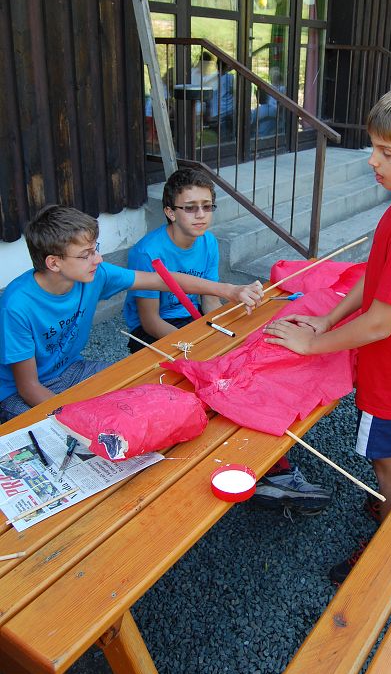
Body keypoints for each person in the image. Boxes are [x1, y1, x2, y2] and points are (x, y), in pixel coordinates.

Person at [264, 79, 391, 582]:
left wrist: (312, 343)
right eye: (374, 147)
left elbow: (379, 323)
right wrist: (329, 318)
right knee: (390, 454)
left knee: (389, 465)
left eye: (387, 152)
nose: (373, 161)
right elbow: (375, 271)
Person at [125, 167, 333, 515]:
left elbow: (210, 299)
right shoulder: (146, 252)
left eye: (207, 206)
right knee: (210, 387)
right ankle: (240, 467)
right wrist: (199, 347)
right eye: (190, 207)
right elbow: (149, 320)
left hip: (193, 324)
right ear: (170, 212)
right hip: (156, 332)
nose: (201, 215)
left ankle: (266, 464)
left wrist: (219, 331)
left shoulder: (207, 241)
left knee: (244, 372)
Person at [0, 204, 262, 422]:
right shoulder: (17, 305)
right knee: (72, 434)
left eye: (96, 248)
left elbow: (163, 280)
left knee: (147, 393)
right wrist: (79, 417)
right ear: (54, 263)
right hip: (17, 393)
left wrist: (229, 289)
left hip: (73, 369)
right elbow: (29, 387)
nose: (98, 259)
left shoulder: (96, 275)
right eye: (86, 254)